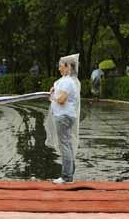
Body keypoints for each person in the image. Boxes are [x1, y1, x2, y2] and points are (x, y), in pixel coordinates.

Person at [46, 54, 80, 184]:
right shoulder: (68, 81)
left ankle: (67, 177)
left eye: (61, 66)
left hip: (63, 116)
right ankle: (69, 174)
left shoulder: (67, 81)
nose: (59, 69)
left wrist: (52, 96)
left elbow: (61, 100)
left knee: (64, 145)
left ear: (67, 67)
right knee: (67, 144)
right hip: (66, 115)